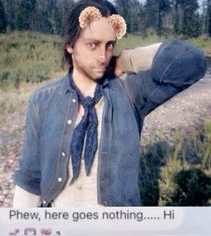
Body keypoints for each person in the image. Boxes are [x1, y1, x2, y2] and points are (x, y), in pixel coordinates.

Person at [13, 0, 207, 207]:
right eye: (92, 44)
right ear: (70, 45)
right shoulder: (43, 99)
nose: (102, 56)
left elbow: (192, 62)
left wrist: (127, 60)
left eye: (109, 45)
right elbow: (30, 178)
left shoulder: (130, 94)